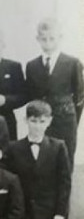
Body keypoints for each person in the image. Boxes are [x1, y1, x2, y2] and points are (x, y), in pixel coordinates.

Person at [25, 19, 84, 161]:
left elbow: (80, 96)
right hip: (41, 122)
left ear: (60, 38)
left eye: (52, 38)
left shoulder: (72, 62)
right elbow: (32, 96)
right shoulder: (32, 65)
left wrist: (71, 119)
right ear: (38, 39)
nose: (48, 42)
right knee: (43, 160)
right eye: (43, 39)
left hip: (65, 121)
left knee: (65, 160)